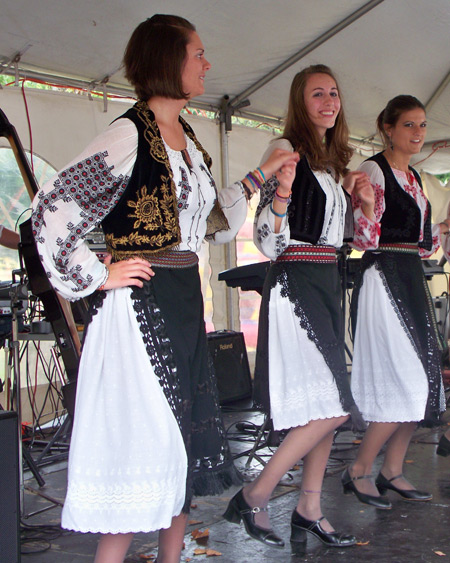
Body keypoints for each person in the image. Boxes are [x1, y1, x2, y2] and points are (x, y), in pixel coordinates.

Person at [31, 15, 298, 563]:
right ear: (167, 60)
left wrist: (264, 174)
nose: (207, 64)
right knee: (146, 447)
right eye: (198, 53)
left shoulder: (188, 135)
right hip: (142, 311)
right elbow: (51, 211)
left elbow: (206, 221)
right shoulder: (129, 133)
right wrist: (98, 275)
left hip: (182, 302)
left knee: (180, 450)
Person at [223, 64, 371, 549]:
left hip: (327, 279)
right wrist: (283, 189)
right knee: (334, 405)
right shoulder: (283, 151)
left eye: (334, 92)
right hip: (295, 284)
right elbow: (267, 240)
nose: (329, 101)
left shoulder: (333, 163)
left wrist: (362, 200)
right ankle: (255, 493)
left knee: (324, 405)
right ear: (299, 101)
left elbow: (344, 238)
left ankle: (309, 508)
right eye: (317, 94)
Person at [343, 95, 447, 509]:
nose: (418, 133)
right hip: (382, 277)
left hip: (409, 276)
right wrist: (367, 207)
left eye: (422, 125)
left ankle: (392, 470)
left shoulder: (416, 180)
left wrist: (441, 227)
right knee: (407, 378)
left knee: (423, 380)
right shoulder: (374, 170)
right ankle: (359, 470)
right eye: (409, 125)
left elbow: (423, 247)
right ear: (388, 127)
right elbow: (362, 239)